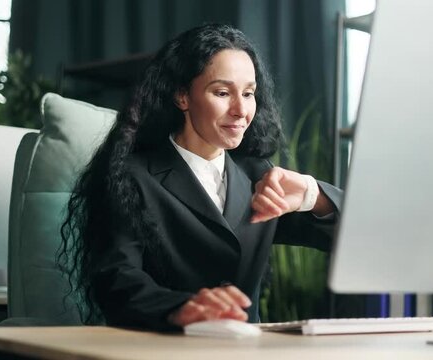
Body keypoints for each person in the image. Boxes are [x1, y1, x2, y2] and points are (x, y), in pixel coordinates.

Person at [59, 23, 343, 331]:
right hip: (163, 348)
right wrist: (183, 308)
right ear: (182, 96)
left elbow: (352, 240)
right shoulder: (131, 176)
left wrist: (313, 195)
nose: (241, 110)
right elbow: (116, 281)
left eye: (248, 93)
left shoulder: (258, 176)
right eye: (222, 92)